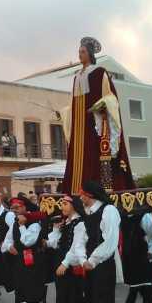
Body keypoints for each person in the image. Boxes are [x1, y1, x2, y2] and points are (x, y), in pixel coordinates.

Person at [60, 37, 135, 194]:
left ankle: (93, 191)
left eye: (83, 52)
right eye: (79, 52)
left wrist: (101, 105)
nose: (80, 55)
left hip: (93, 124)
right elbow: (73, 104)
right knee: (77, 158)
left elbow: (110, 97)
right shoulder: (76, 77)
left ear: (90, 54)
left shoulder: (99, 72)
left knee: (94, 158)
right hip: (79, 127)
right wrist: (65, 114)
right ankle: (75, 190)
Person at [79, 180, 130, 303]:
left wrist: (93, 259)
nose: (80, 196)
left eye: (82, 193)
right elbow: (83, 237)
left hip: (104, 263)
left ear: (90, 195)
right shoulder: (88, 212)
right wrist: (82, 258)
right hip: (91, 264)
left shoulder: (109, 211)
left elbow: (110, 241)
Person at [47, 195, 87, 303]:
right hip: (63, 267)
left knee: (78, 300)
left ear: (74, 205)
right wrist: (55, 231)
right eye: (61, 203)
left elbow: (76, 247)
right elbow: (57, 244)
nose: (62, 206)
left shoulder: (80, 224)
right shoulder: (67, 222)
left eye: (65, 204)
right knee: (66, 300)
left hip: (72, 268)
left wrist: (64, 263)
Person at [8, 196, 52, 303]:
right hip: (21, 260)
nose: (14, 211)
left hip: (35, 260)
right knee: (24, 289)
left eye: (17, 208)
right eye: (12, 208)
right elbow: (7, 239)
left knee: (34, 290)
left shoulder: (34, 222)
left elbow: (28, 241)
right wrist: (9, 246)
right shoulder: (15, 222)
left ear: (24, 208)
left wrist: (22, 226)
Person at [120, 206, 152, 303]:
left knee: (136, 280)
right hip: (128, 251)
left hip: (140, 251)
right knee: (140, 279)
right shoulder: (122, 214)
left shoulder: (144, 215)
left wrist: (151, 249)